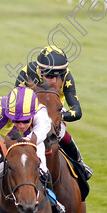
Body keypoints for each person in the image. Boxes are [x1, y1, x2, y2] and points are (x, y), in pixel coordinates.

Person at [15, 45, 92, 180]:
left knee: (62, 134)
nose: (55, 80)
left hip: (55, 111)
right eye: (50, 76)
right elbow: (16, 104)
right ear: (40, 71)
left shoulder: (67, 76)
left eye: (59, 75)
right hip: (29, 114)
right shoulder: (27, 73)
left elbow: (77, 111)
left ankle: (80, 164)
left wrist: (58, 116)